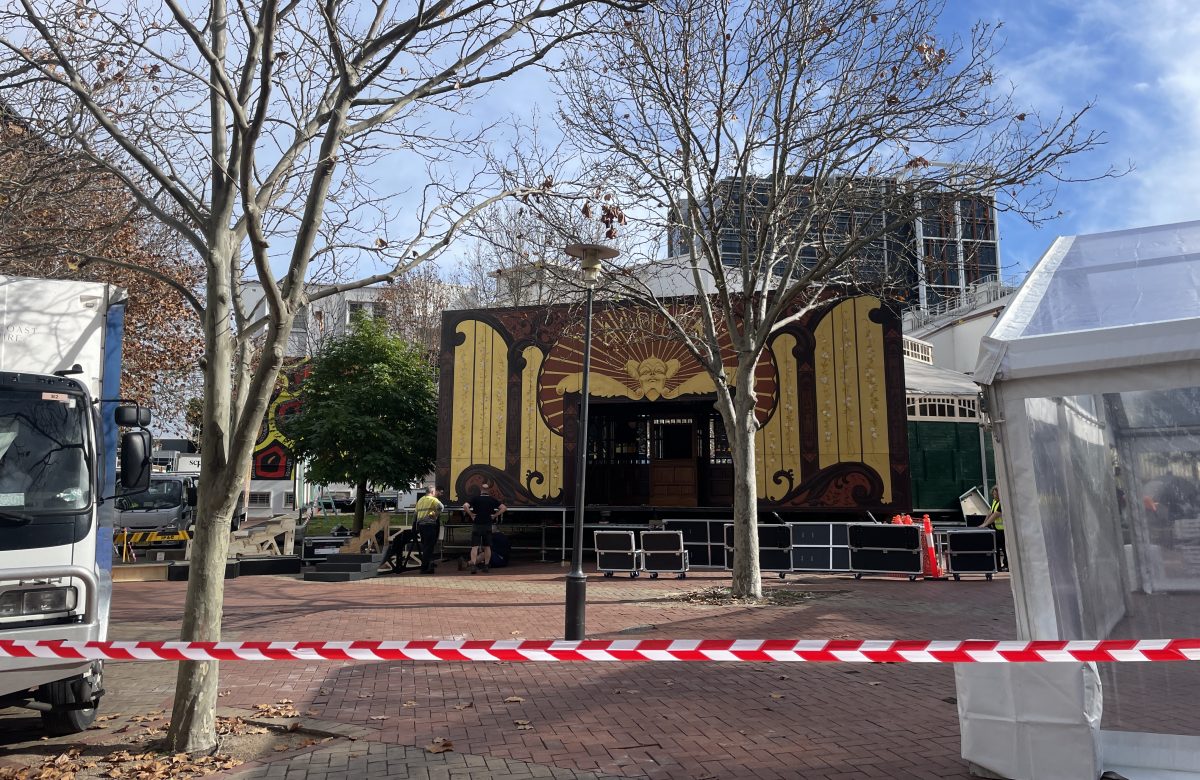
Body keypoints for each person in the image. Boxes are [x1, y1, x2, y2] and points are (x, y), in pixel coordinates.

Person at [463, 480, 506, 574]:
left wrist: (471, 514)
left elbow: (465, 506)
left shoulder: (475, 499)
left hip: (477, 524)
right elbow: (503, 507)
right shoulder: (492, 500)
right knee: (487, 546)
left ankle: (473, 566)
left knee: (474, 546)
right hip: (488, 524)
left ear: (481, 490)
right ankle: (486, 566)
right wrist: (495, 515)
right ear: (488, 490)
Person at [413, 485, 444, 574]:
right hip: (430, 525)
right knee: (429, 546)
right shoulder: (433, 500)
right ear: (432, 492)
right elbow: (441, 507)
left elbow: (415, 514)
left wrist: (413, 526)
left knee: (425, 545)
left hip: (421, 526)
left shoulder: (420, 500)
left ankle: (428, 565)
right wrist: (434, 514)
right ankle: (425, 567)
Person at [981, 485, 1006, 571]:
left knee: (1005, 549)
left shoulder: (1002, 502)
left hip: (1003, 530)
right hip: (996, 529)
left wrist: (985, 524)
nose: (994, 496)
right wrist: (984, 523)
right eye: (994, 494)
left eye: (995, 495)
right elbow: (990, 512)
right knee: (996, 548)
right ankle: (997, 565)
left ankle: (1007, 566)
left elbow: (996, 514)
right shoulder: (995, 501)